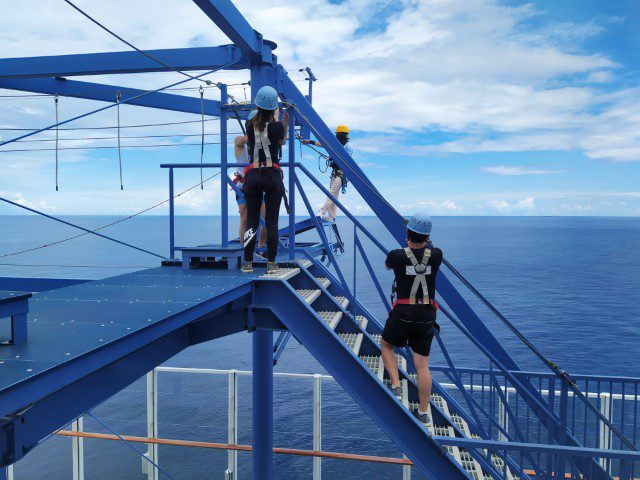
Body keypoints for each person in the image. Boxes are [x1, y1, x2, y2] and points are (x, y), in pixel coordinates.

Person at [381, 212, 442, 427]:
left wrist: (407, 245)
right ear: (427, 236)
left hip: (403, 313)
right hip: (426, 315)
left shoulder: (396, 256)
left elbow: (389, 266)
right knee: (422, 366)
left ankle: (396, 385)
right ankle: (423, 412)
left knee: (387, 345)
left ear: (407, 232)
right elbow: (431, 250)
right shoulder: (436, 255)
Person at [240, 86, 289, 274]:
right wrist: (281, 119)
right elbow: (281, 140)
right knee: (272, 222)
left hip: (253, 176)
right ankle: (271, 264)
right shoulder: (277, 127)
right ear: (274, 108)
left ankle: (247, 263)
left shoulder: (249, 125)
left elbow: (260, 126)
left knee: (252, 220)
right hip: (272, 176)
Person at [303, 124, 353, 222]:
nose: (336, 136)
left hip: (342, 174)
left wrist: (333, 156)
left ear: (341, 134)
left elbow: (345, 159)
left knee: (331, 193)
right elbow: (323, 144)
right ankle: (331, 216)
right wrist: (310, 142)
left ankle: (321, 212)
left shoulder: (348, 146)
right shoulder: (335, 143)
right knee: (334, 194)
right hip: (335, 172)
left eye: (338, 134)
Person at [233, 110, 266, 251]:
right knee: (244, 217)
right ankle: (243, 247)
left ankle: (260, 246)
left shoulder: (262, 142)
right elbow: (239, 141)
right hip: (243, 185)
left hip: (259, 181)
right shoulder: (242, 141)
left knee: (265, 218)